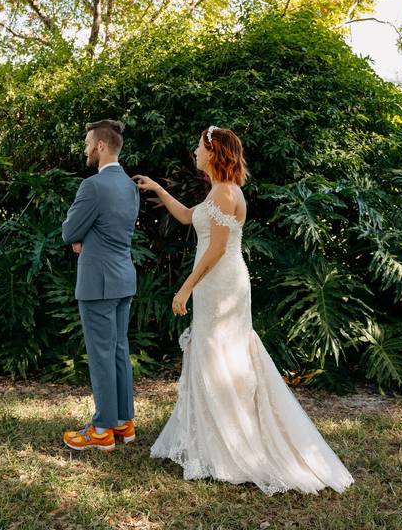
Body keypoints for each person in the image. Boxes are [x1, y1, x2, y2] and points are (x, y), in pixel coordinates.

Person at [132, 126, 354, 495]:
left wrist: (186, 286)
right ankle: (214, 436)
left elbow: (216, 249)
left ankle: (230, 443)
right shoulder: (221, 191)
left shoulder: (223, 193)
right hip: (221, 280)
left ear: (213, 151)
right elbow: (189, 217)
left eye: (198, 147)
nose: (194, 152)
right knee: (219, 355)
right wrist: (158, 188)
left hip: (220, 283)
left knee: (219, 354)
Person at [61, 119, 140, 451]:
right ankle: (124, 422)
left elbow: (69, 231)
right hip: (123, 278)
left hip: (98, 283)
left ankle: (102, 429)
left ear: (101, 146)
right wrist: (88, 238)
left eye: (88, 143)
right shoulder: (129, 185)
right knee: (119, 350)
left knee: (101, 354)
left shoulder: (92, 186)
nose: (85, 149)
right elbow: (112, 229)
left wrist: (82, 239)